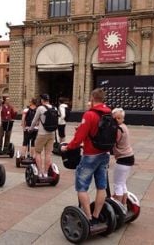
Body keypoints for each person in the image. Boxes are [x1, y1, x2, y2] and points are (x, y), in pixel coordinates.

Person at [62, 88, 113, 226]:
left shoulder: (89, 114)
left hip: (90, 154)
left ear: (92, 98)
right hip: (105, 153)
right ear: (103, 99)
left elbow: (79, 138)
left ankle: (88, 218)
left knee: (82, 187)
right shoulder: (109, 112)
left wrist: (69, 147)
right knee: (101, 186)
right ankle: (96, 215)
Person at [30, 94, 58, 178]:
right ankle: (46, 173)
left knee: (38, 152)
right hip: (52, 134)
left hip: (42, 134)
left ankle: (40, 172)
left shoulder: (40, 108)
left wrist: (31, 128)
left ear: (42, 100)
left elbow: (34, 120)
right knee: (48, 154)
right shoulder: (54, 108)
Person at [111, 108, 134, 205]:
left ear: (123, 119)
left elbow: (113, 142)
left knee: (117, 184)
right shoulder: (124, 126)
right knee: (122, 183)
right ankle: (123, 205)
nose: (116, 120)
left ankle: (119, 207)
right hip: (129, 157)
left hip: (123, 158)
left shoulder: (119, 129)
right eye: (114, 118)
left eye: (119, 118)